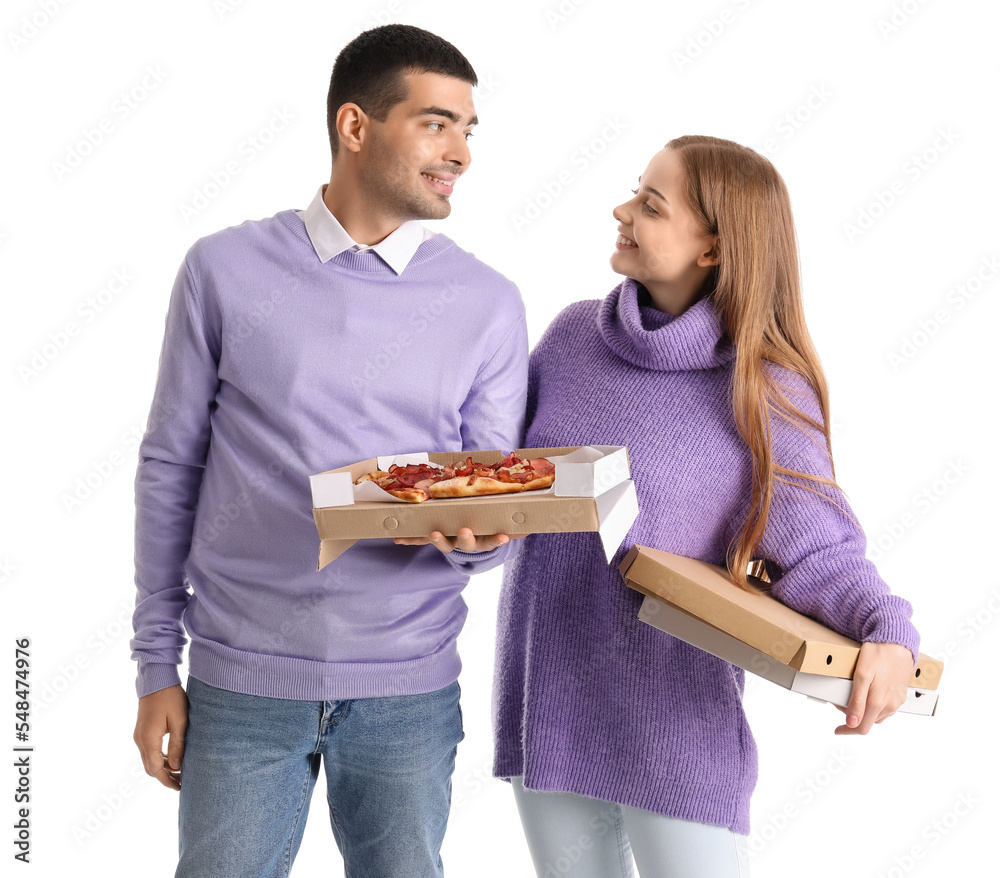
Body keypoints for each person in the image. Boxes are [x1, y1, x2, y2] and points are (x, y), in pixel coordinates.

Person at [130, 24, 527, 878]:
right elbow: (170, 466)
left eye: (468, 129)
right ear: (356, 127)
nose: (460, 151)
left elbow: (488, 496)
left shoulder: (488, 302)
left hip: (409, 693)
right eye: (436, 123)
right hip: (238, 689)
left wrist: (484, 543)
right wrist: (155, 666)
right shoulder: (223, 269)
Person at [489, 136, 920, 877]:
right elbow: (503, 487)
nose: (621, 210)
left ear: (714, 250)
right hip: (550, 703)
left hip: (675, 724)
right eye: (636, 192)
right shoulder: (568, 339)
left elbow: (818, 549)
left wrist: (888, 631)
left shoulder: (763, 386)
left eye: (651, 206)